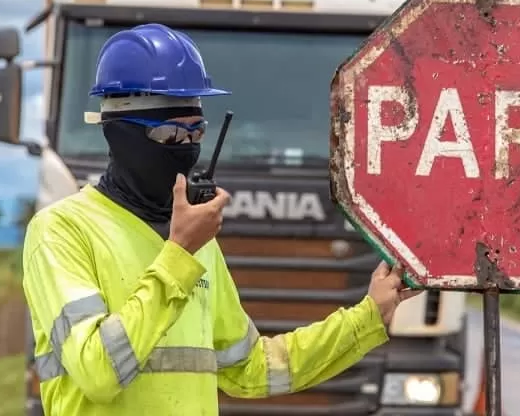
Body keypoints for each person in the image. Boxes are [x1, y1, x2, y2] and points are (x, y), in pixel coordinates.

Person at [21, 23, 422, 415]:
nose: (189, 148)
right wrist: (178, 255)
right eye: (172, 135)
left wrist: (369, 316)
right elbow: (99, 371)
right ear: (119, 134)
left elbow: (253, 369)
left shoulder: (198, 244)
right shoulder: (61, 230)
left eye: (197, 132)